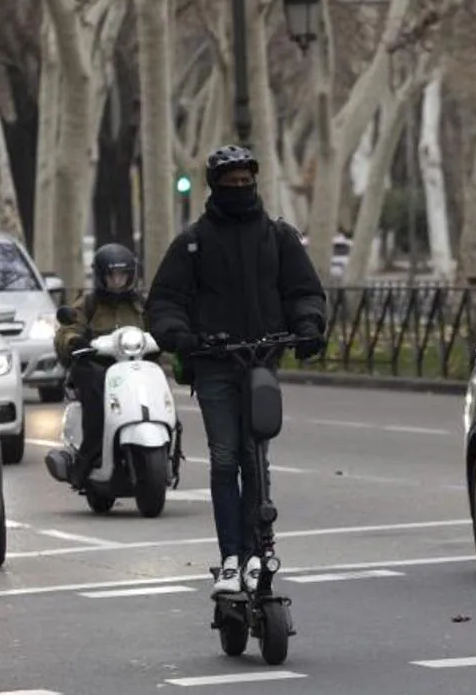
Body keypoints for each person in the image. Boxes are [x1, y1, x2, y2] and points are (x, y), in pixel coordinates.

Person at [144, 145, 327, 595]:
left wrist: (308, 327)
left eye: (246, 181)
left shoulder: (279, 236)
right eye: (230, 183)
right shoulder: (193, 241)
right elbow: (165, 301)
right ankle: (230, 557)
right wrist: (179, 334)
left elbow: (304, 290)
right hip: (213, 367)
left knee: (255, 457)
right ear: (215, 187)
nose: (240, 189)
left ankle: (257, 552)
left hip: (261, 365)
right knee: (225, 458)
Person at [45, 243, 146, 489]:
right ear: (102, 276)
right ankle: (88, 456)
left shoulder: (141, 304)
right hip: (96, 366)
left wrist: (173, 338)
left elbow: (160, 327)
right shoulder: (88, 303)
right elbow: (67, 330)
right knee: (94, 392)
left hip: (134, 367)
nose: (117, 281)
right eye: (112, 275)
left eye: (122, 275)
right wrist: (74, 340)